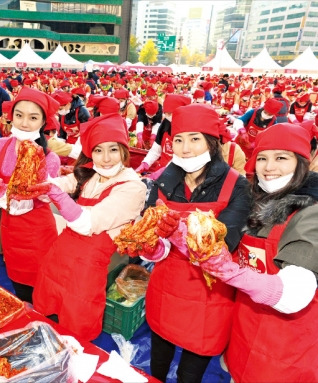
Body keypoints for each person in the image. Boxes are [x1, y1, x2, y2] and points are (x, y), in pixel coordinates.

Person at [191, 123, 318, 382]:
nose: (269, 167)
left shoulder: (310, 214)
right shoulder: (257, 203)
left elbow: (296, 294)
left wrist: (230, 272)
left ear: (303, 163)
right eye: (262, 158)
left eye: (281, 158)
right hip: (245, 326)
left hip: (285, 343)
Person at [142, 104, 252, 383]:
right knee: (159, 357)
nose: (185, 148)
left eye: (194, 139)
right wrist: (151, 246)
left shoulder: (235, 185)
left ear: (211, 143)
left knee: (190, 372)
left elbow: (225, 244)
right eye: (178, 140)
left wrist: (179, 232)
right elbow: (149, 227)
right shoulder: (164, 181)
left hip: (210, 289)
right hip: (168, 283)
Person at [32, 113, 147, 341]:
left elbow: (88, 223)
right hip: (58, 256)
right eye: (98, 150)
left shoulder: (133, 187)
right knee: (47, 314)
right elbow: (62, 183)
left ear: (124, 150)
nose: (105, 158)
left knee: (76, 324)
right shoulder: (91, 175)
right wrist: (40, 185)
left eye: (113, 149)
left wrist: (57, 195)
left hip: (86, 268)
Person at [0, 87, 61, 303]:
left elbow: (29, 201)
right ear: (11, 117)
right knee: (19, 285)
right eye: (19, 115)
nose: (24, 123)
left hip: (38, 232)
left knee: (42, 289)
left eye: (33, 117)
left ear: (43, 122)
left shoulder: (50, 159)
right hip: (10, 229)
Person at [136, 94, 191, 174]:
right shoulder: (166, 123)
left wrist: (164, 173)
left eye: (170, 114)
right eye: (166, 113)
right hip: (160, 170)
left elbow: (186, 161)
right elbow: (155, 151)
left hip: (178, 175)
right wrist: (145, 163)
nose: (168, 116)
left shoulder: (190, 131)